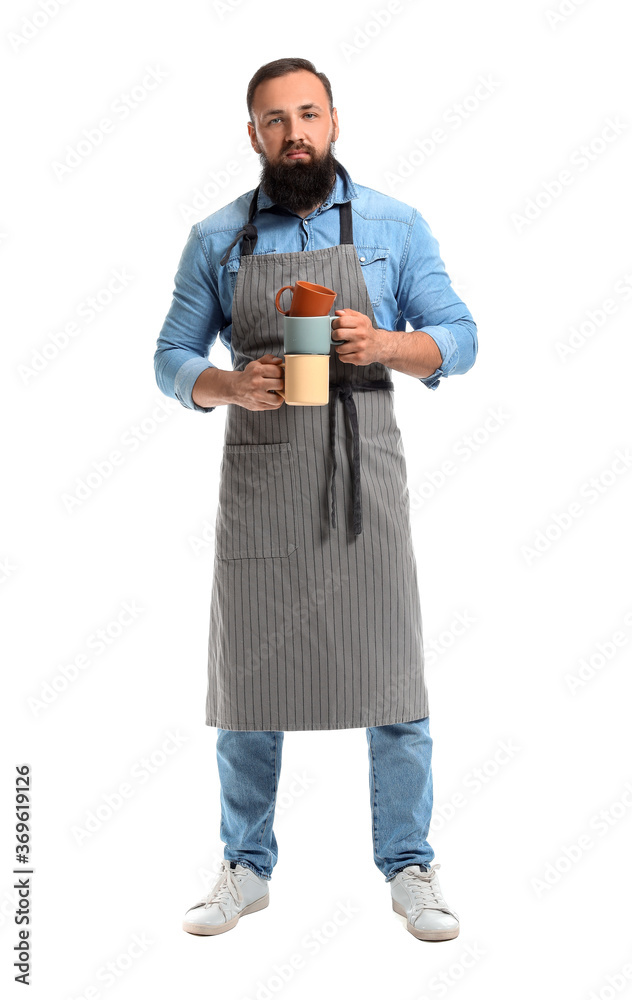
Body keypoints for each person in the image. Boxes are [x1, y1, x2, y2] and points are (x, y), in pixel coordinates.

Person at [154, 57, 477, 943]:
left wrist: (386, 341)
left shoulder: (393, 225)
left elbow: (460, 339)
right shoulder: (217, 238)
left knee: (394, 681)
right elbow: (169, 357)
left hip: (362, 468)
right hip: (261, 472)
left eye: (308, 114)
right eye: (274, 120)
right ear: (253, 134)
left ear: (334, 121)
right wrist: (226, 383)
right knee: (250, 684)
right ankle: (245, 867)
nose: (294, 133)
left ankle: (409, 863)